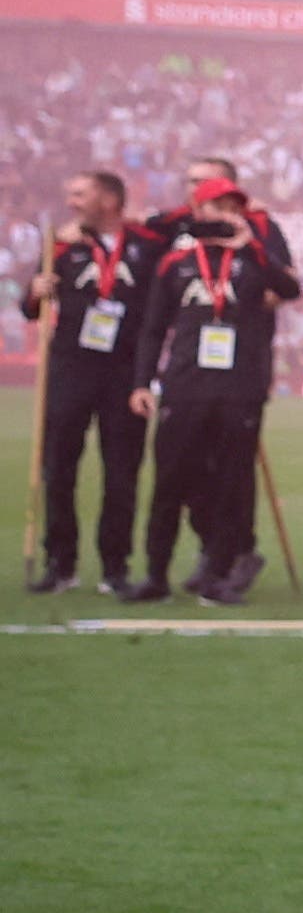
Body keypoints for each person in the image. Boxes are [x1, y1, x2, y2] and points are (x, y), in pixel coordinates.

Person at [130, 161, 298, 603]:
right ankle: (155, 575)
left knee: (230, 483)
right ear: (198, 210)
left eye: (231, 206)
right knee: (170, 481)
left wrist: (252, 246)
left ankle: (218, 576)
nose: (224, 214)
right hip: (184, 385)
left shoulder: (253, 259)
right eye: (215, 206)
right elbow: (152, 328)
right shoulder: (176, 262)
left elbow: (290, 288)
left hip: (238, 387)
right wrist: (142, 382)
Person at [23, 167, 152, 597]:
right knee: (58, 467)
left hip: (126, 372)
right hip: (71, 368)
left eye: (81, 193)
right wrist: (36, 289)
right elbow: (30, 308)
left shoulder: (147, 246)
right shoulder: (59, 245)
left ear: (110, 200)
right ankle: (60, 562)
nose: (73, 202)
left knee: (121, 472)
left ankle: (115, 565)